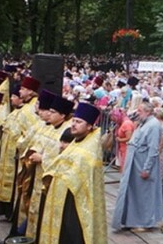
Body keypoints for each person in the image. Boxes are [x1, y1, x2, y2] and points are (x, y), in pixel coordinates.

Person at [38, 102, 106, 243]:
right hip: (61, 196)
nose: (73, 124)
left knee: (72, 234)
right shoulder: (76, 141)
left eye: (79, 122)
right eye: (73, 120)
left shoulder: (90, 149)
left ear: (89, 126)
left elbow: (81, 173)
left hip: (75, 201)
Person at [112, 101, 163, 232]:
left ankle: (143, 222)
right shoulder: (144, 123)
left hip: (142, 163)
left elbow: (153, 149)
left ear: (147, 112)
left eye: (140, 111)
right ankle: (132, 219)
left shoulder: (154, 125)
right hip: (134, 163)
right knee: (134, 192)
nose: (137, 113)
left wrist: (147, 168)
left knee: (144, 194)